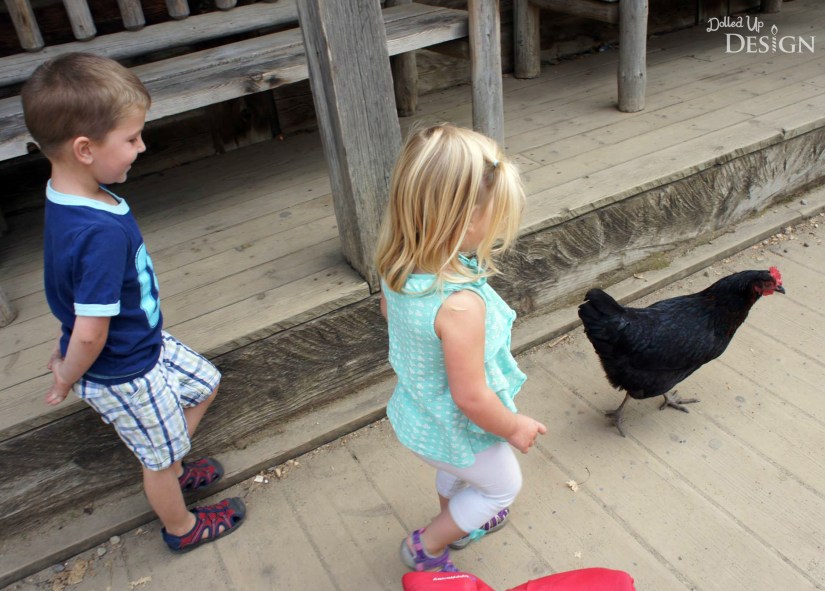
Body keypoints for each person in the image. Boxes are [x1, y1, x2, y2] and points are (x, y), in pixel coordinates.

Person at [21, 52, 246, 553]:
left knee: (205, 384)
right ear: (84, 148)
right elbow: (89, 331)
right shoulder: (96, 233)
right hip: (122, 369)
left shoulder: (70, 194)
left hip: (142, 344)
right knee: (158, 461)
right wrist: (65, 374)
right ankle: (180, 524)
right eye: (131, 138)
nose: (141, 147)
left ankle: (170, 458)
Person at [375, 123, 547, 572]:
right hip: (461, 421)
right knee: (500, 487)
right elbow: (470, 398)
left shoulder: (399, 265)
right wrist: (512, 426)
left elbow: (389, 314)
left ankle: (457, 519)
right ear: (468, 219)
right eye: (497, 213)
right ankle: (428, 547)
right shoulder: (460, 306)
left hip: (424, 413)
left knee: (458, 471)